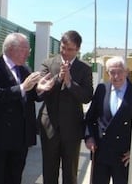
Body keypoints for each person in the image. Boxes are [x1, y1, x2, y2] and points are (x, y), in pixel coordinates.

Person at [0, 32, 54, 184]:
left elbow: (32, 96)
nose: (28, 53)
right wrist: (22, 87)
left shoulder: (24, 69)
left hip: (20, 137)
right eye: (25, 49)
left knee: (15, 178)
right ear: (10, 48)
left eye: (29, 49)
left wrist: (40, 89)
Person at [37, 30, 93, 184]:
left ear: (78, 49)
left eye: (70, 49)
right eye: (63, 48)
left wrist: (69, 83)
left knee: (70, 173)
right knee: (49, 171)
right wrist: (58, 78)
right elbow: (40, 94)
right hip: (49, 127)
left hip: (72, 129)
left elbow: (87, 97)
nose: (65, 52)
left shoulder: (85, 69)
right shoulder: (48, 64)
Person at [85, 56, 132, 184]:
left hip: (124, 155)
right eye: (112, 72)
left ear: (126, 71)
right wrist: (89, 137)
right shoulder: (101, 89)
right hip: (101, 152)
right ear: (107, 73)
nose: (116, 76)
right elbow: (90, 118)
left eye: (120, 71)